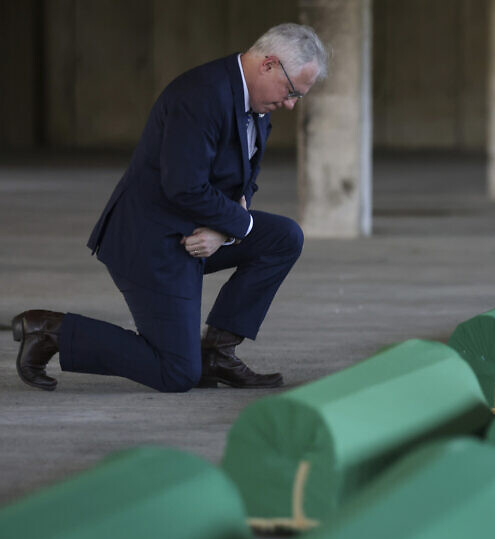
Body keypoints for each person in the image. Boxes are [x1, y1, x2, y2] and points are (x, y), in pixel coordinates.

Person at [12, 23, 328, 392]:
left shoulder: (257, 100)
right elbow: (185, 187)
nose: (290, 104)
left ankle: (217, 355)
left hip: (193, 234)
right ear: (269, 64)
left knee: (283, 237)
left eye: (298, 97)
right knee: (176, 373)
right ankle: (50, 330)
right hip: (150, 242)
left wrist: (224, 231)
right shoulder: (200, 95)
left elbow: (245, 182)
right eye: (291, 91)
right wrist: (236, 225)